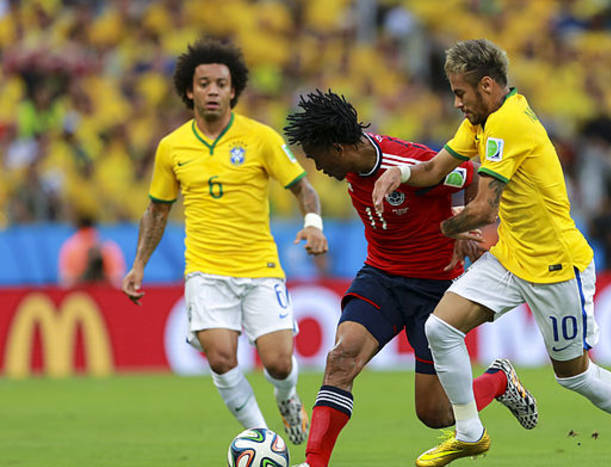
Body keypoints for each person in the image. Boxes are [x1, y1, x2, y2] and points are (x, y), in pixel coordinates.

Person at [372, 39, 611, 467]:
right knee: (441, 328)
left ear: (487, 86)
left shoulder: (508, 123)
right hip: (512, 255)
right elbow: (436, 169)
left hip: (554, 265)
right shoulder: (482, 120)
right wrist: (398, 173)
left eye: (460, 93)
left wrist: (439, 229)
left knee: (575, 377)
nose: (456, 103)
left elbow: (483, 209)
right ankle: (470, 434)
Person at [283, 89, 538, 467]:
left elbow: (471, 175)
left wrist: (459, 221)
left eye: (318, 157)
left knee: (435, 414)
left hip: (435, 288)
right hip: (381, 277)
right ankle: (314, 463)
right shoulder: (352, 166)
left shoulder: (407, 163)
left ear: (337, 148)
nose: (317, 167)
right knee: (341, 359)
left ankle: (498, 379)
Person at [121, 39, 328, 445]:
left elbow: (303, 188)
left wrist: (314, 224)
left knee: (279, 363)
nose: (212, 91)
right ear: (189, 91)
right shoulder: (172, 147)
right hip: (206, 270)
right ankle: (262, 437)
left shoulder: (260, 137)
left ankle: (287, 397)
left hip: (260, 267)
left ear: (234, 91)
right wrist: (138, 265)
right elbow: (156, 211)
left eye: (221, 84)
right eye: (204, 84)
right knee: (220, 357)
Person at [59, 212, 126, 288]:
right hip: (102, 290)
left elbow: (66, 279)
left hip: (81, 291)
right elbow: (117, 278)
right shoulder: (108, 246)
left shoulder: (70, 247)